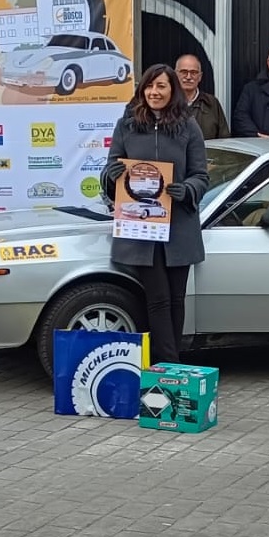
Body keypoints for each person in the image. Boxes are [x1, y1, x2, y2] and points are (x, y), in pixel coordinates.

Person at [102, 64, 211, 365]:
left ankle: (169, 367)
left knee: (176, 299)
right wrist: (111, 175)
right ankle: (169, 367)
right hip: (140, 228)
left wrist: (187, 189)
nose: (154, 92)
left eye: (161, 86)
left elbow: (201, 176)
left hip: (179, 228)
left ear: (173, 89)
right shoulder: (127, 124)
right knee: (159, 299)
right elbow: (111, 171)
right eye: (150, 86)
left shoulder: (189, 127)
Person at [173, 53, 230, 140]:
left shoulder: (212, 103)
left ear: (200, 76)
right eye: (184, 72)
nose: (188, 77)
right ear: (175, 74)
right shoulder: (167, 102)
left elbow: (224, 138)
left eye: (194, 72)